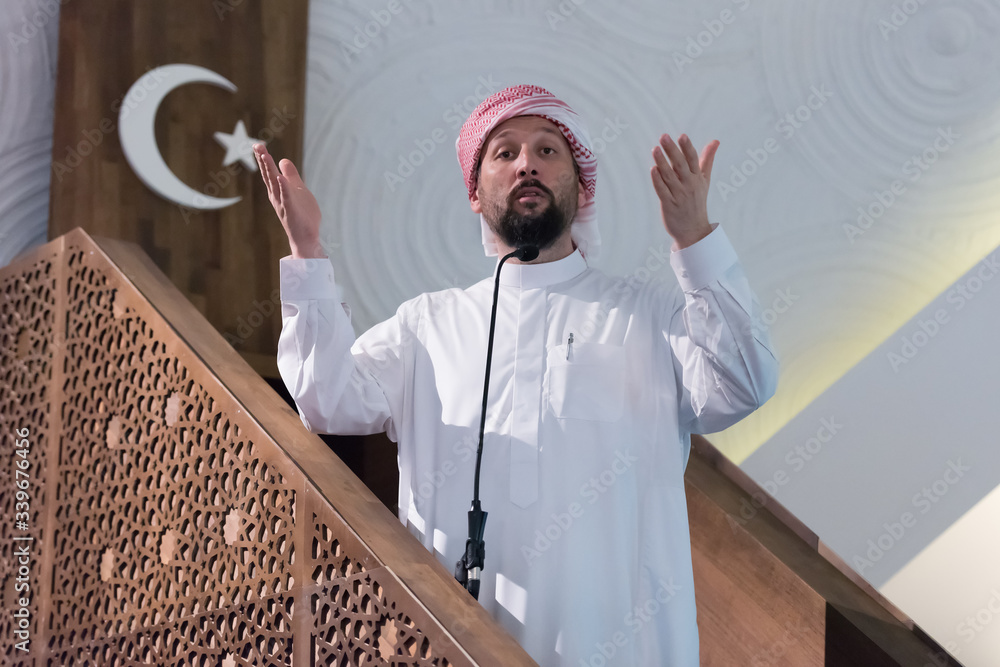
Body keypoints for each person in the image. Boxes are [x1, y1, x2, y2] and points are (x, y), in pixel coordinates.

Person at [256, 84, 778, 666]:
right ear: (476, 194)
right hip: (456, 648)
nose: (526, 162)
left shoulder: (648, 316)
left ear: (581, 186)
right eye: (504, 153)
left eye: (547, 150)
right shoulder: (429, 325)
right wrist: (307, 253)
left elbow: (744, 383)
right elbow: (325, 399)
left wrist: (696, 241)